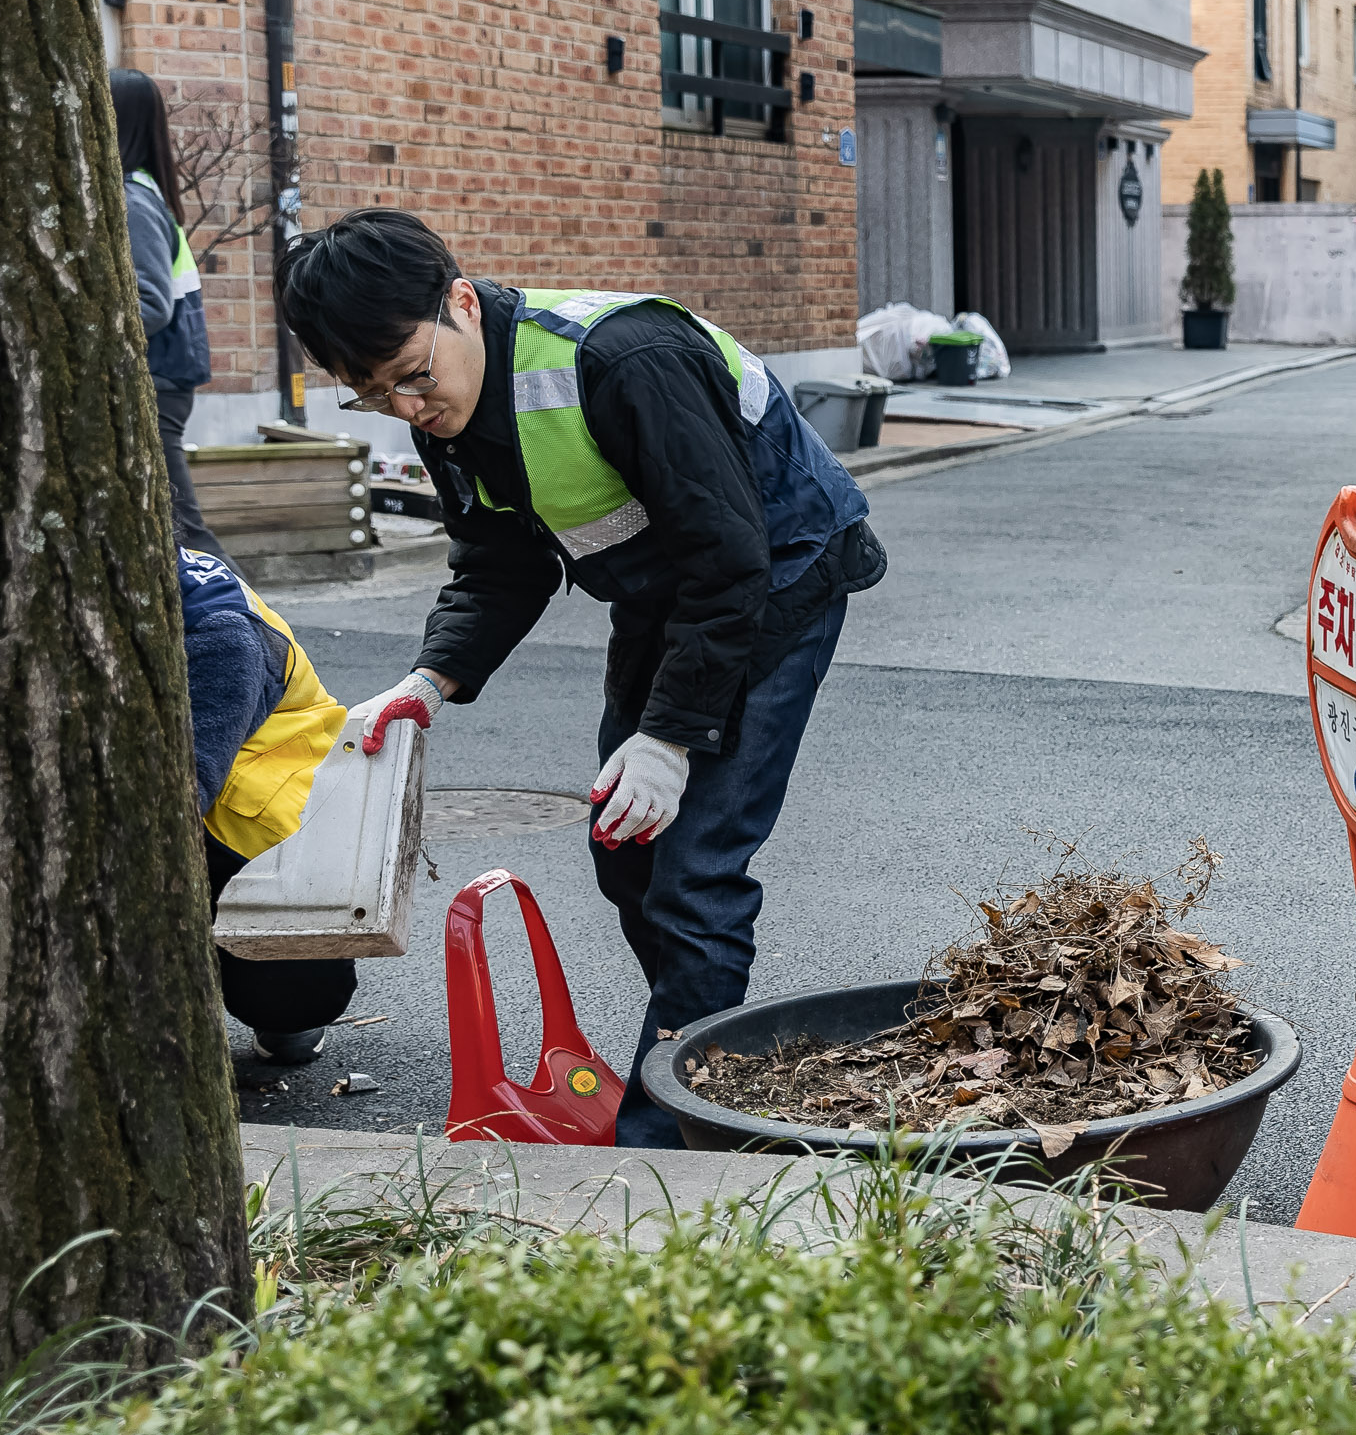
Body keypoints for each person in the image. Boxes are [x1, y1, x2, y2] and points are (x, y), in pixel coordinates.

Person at [277, 209, 886, 1148]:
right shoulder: (449, 402)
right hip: (663, 587)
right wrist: (430, 680)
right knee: (625, 845)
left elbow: (730, 560)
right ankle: (709, 1051)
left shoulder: (623, 361)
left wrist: (671, 735)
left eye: (411, 377)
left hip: (777, 572)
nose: (406, 410)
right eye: (371, 396)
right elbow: (497, 561)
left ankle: (668, 1143)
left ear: (462, 303)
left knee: (695, 872)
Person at [181, 547, 361, 1061]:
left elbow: (181, 798)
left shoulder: (217, 633)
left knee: (293, 997)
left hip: (254, 827)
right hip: (228, 806)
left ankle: (278, 997)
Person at [112, 68, 223, 557]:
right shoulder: (143, 189)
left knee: (185, 529)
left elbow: (151, 304)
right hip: (166, 382)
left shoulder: (133, 200)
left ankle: (259, 631)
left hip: (158, 385)